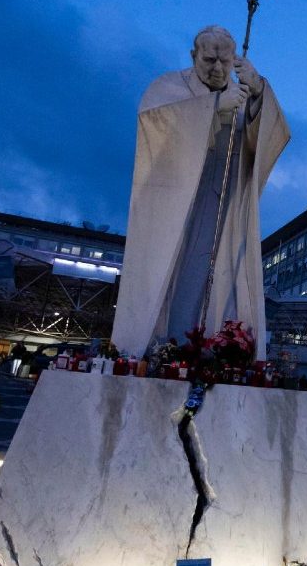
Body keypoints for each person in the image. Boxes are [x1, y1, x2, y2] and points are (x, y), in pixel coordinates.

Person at [111, 26, 289, 360]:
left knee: (216, 272)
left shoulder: (240, 93)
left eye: (225, 61)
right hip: (177, 202)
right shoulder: (169, 87)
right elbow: (156, 126)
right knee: (175, 268)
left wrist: (259, 91)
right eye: (209, 59)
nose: (218, 68)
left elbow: (267, 139)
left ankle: (210, 344)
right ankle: (160, 344)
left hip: (222, 204)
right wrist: (214, 107)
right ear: (194, 56)